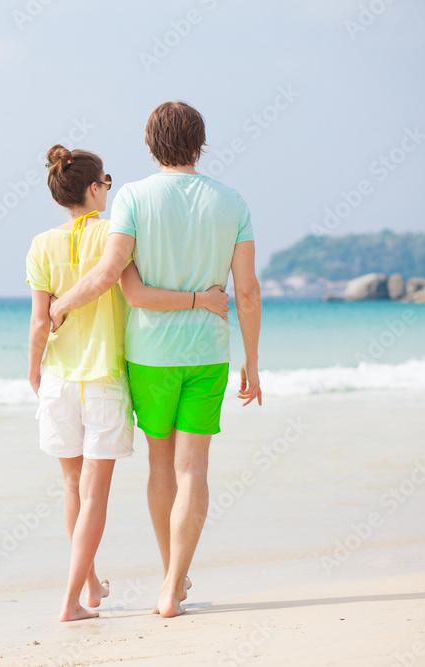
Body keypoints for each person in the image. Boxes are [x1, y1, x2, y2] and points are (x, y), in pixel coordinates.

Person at [48, 101, 263, 618]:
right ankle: (171, 586)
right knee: (195, 469)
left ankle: (174, 576)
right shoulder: (231, 201)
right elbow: (248, 291)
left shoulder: (134, 198)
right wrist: (251, 362)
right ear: (200, 142)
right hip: (208, 353)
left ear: (151, 144)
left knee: (161, 463)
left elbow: (108, 274)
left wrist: (58, 307)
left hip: (149, 356)